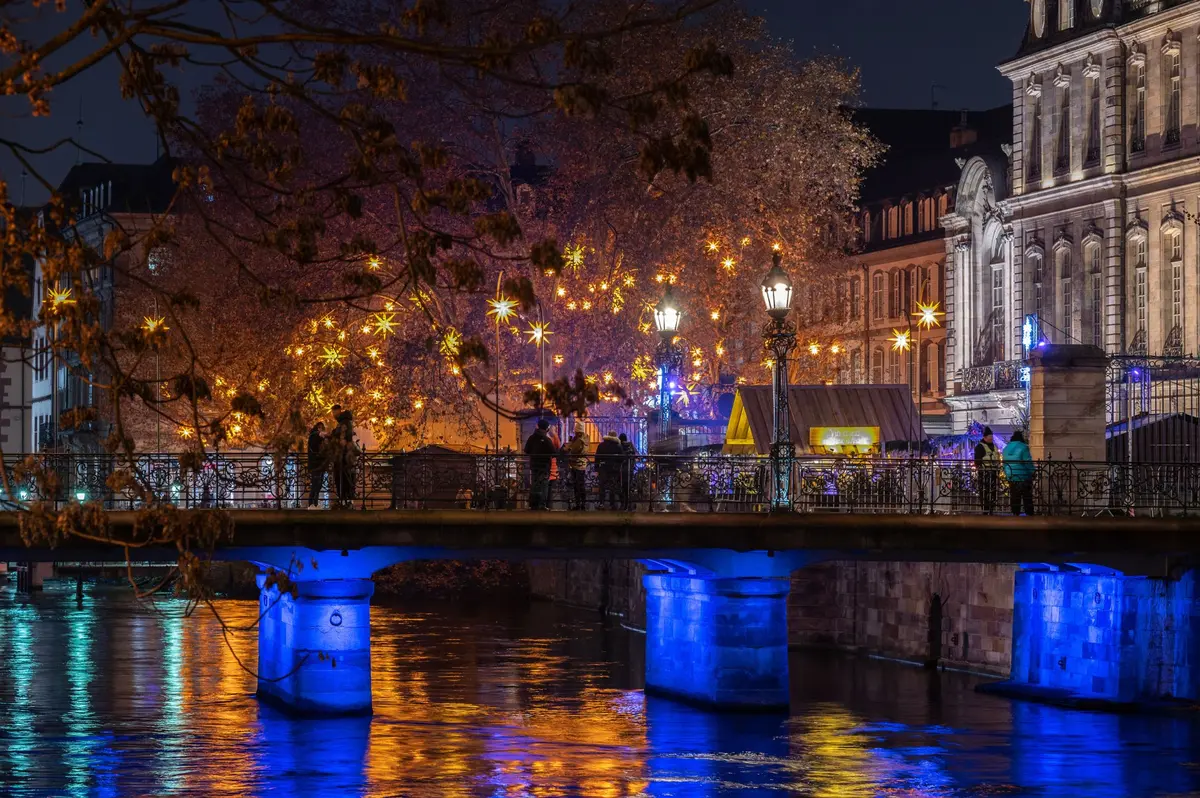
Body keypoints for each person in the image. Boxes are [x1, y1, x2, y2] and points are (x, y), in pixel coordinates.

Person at [524, 418, 557, 510]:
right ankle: (542, 505)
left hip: (534, 465)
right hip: (544, 466)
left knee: (535, 484)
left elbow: (526, 450)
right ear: (546, 429)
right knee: (544, 485)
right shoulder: (546, 440)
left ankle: (533, 505)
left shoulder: (531, 438)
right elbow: (554, 452)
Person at [1003, 429, 1035, 516]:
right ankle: (1029, 513)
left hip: (1011, 475)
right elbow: (1027, 462)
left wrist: (1007, 473)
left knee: (1014, 495)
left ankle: (1015, 513)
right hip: (1023, 475)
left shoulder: (1006, 448)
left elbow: (1004, 463)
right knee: (1026, 496)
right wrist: (1033, 471)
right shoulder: (1023, 447)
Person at [331, 407, 357, 508]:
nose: (333, 414)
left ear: (338, 411)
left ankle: (345, 500)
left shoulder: (344, 422)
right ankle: (345, 499)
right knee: (344, 476)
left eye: (334, 412)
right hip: (343, 454)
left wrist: (334, 434)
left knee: (343, 476)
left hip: (343, 454)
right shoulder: (344, 422)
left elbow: (341, 435)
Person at [973, 426, 1000, 515]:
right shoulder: (980, 447)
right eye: (990, 437)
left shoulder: (994, 446)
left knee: (993, 491)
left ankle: (991, 508)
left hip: (993, 472)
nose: (991, 439)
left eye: (992, 437)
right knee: (984, 491)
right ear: (985, 437)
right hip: (984, 473)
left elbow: (997, 457)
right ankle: (985, 509)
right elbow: (977, 461)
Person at [595, 430, 624, 510]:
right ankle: (612, 504)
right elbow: (622, 458)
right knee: (613, 486)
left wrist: (596, 468)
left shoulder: (601, 445)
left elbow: (597, 457)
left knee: (602, 486)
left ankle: (601, 503)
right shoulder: (618, 446)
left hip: (603, 468)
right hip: (614, 469)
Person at [565, 428, 590, 510]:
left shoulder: (579, 440)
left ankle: (579, 504)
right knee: (580, 485)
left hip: (577, 464)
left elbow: (573, 450)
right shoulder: (585, 439)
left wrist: (570, 444)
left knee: (577, 485)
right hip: (581, 464)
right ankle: (582, 503)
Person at [618, 432, 637, 510]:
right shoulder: (631, 445)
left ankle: (623, 504)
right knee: (629, 487)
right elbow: (635, 455)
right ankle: (629, 503)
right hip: (630, 469)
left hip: (621, 470)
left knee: (621, 487)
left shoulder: (619, 446)